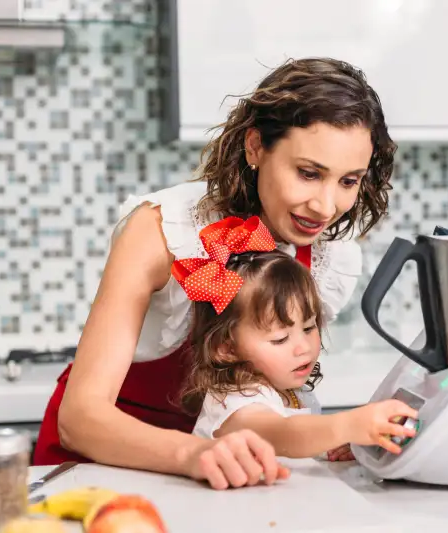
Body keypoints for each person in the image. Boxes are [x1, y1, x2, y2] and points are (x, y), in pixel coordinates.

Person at [32, 57, 397, 490]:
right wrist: (195, 453)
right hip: (93, 467)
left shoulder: (325, 255)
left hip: (214, 473)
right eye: (308, 173)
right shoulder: (162, 230)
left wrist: (322, 439)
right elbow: (81, 419)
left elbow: (256, 397)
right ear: (256, 147)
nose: (325, 206)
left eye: (348, 181)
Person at [179, 216, 417, 461]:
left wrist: (339, 442)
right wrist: (348, 425)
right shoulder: (237, 402)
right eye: (281, 339)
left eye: (309, 327)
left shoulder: (285, 387)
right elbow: (283, 435)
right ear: (226, 348)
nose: (303, 347)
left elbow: (300, 444)